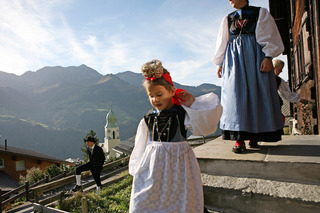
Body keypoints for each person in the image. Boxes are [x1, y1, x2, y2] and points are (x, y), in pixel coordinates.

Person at [129, 59, 222, 213]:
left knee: (179, 194)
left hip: (179, 164)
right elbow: (140, 145)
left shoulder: (181, 114)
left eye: (159, 94)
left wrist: (192, 104)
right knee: (146, 198)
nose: (155, 99)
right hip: (153, 167)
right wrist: (137, 166)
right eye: (151, 96)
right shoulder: (148, 119)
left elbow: (205, 126)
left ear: (172, 91)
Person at [212, 0, 285, 153]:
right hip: (233, 61)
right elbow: (223, 41)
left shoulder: (260, 13)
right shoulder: (228, 18)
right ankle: (239, 139)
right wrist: (220, 63)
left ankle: (254, 136)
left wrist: (268, 57)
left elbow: (270, 36)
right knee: (235, 96)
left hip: (256, 56)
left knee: (257, 93)